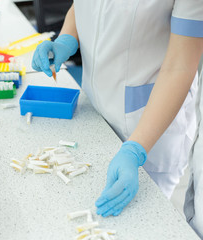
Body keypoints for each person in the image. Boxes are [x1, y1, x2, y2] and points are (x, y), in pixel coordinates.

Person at [32, 1, 203, 238]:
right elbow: (79, 7)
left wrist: (135, 150)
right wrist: (66, 39)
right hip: (95, 116)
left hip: (148, 133)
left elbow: (181, 66)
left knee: (127, 228)